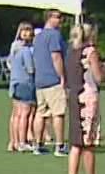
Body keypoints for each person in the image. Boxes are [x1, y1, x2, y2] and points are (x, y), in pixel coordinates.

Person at [65, 21, 105, 174]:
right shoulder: (90, 52)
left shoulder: (71, 51)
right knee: (89, 144)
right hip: (88, 96)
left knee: (76, 143)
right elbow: (98, 77)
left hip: (74, 96)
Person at [30, 9, 70, 155]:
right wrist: (62, 77)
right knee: (58, 113)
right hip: (52, 79)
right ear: (49, 18)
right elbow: (56, 57)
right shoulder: (54, 35)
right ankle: (60, 145)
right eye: (58, 17)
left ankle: (37, 144)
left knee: (41, 113)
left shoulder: (38, 37)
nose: (61, 20)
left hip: (40, 80)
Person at [7, 22, 38, 153]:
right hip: (25, 82)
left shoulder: (14, 48)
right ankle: (22, 142)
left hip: (14, 82)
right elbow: (31, 69)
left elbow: (10, 63)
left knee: (16, 114)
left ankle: (13, 142)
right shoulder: (25, 50)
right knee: (24, 114)